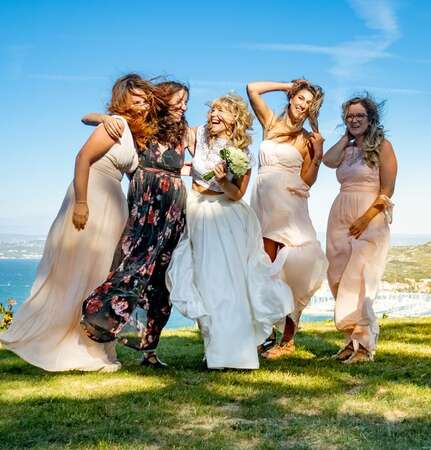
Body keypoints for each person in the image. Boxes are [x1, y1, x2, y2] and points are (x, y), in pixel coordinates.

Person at [0, 74, 157, 372]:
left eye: (146, 100)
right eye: (137, 99)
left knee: (98, 274)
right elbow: (82, 158)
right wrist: (81, 203)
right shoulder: (117, 124)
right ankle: (67, 341)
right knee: (79, 269)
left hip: (113, 202)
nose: (143, 105)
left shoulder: (130, 131)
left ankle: (91, 343)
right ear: (124, 100)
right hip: (93, 197)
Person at [165, 93, 293, 369]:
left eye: (221, 111)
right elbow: (167, 127)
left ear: (235, 118)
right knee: (204, 281)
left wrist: (223, 180)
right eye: (212, 109)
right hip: (198, 212)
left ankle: (235, 352)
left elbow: (237, 194)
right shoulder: (196, 135)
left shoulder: (243, 151)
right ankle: (215, 349)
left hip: (226, 217)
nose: (214, 114)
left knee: (229, 284)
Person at [80, 81, 190, 368]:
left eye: (186, 102)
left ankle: (149, 350)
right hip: (146, 206)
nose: (183, 107)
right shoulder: (144, 124)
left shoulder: (185, 132)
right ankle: (94, 319)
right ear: (163, 101)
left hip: (174, 210)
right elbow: (88, 117)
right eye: (178, 102)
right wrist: (105, 119)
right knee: (132, 267)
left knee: (161, 281)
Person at [246, 79, 327, 359]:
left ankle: (288, 340)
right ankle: (262, 334)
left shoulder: (307, 139)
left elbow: (307, 180)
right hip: (262, 205)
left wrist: (317, 156)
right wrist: (286, 85)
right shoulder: (270, 123)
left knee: (294, 269)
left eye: (308, 104)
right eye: (300, 99)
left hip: (290, 205)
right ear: (292, 98)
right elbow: (251, 88)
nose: (302, 106)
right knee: (262, 269)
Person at [322, 93, 397, 364]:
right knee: (339, 277)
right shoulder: (347, 148)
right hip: (340, 213)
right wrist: (346, 138)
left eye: (359, 116)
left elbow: (387, 190)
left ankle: (364, 346)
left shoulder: (383, 146)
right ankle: (350, 339)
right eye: (349, 116)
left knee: (362, 279)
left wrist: (366, 218)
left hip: (370, 216)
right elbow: (327, 161)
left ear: (370, 118)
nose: (354, 120)